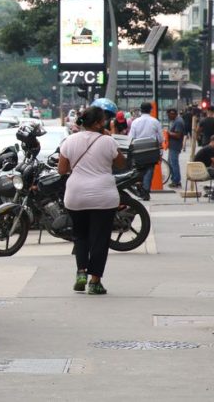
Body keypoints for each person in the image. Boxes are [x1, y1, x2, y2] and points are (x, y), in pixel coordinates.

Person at [57, 106, 127, 295]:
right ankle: (95, 281)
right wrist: (107, 137)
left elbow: (62, 170)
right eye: (102, 120)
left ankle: (81, 272)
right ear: (97, 123)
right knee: (100, 239)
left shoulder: (69, 140)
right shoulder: (107, 141)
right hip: (103, 196)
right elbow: (121, 163)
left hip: (76, 195)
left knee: (80, 236)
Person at [128, 102, 163, 199]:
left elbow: (131, 137)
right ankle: (146, 190)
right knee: (149, 169)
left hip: (138, 149)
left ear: (140, 110)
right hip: (151, 149)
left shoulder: (135, 122)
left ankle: (140, 185)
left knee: (139, 169)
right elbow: (160, 138)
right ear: (150, 110)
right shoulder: (155, 121)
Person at [166, 108, 186, 189]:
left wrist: (168, 133)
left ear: (173, 114)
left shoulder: (178, 122)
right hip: (172, 145)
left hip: (175, 146)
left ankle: (176, 181)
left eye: (169, 115)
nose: (168, 117)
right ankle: (174, 179)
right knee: (170, 163)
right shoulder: (176, 120)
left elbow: (178, 135)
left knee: (174, 163)